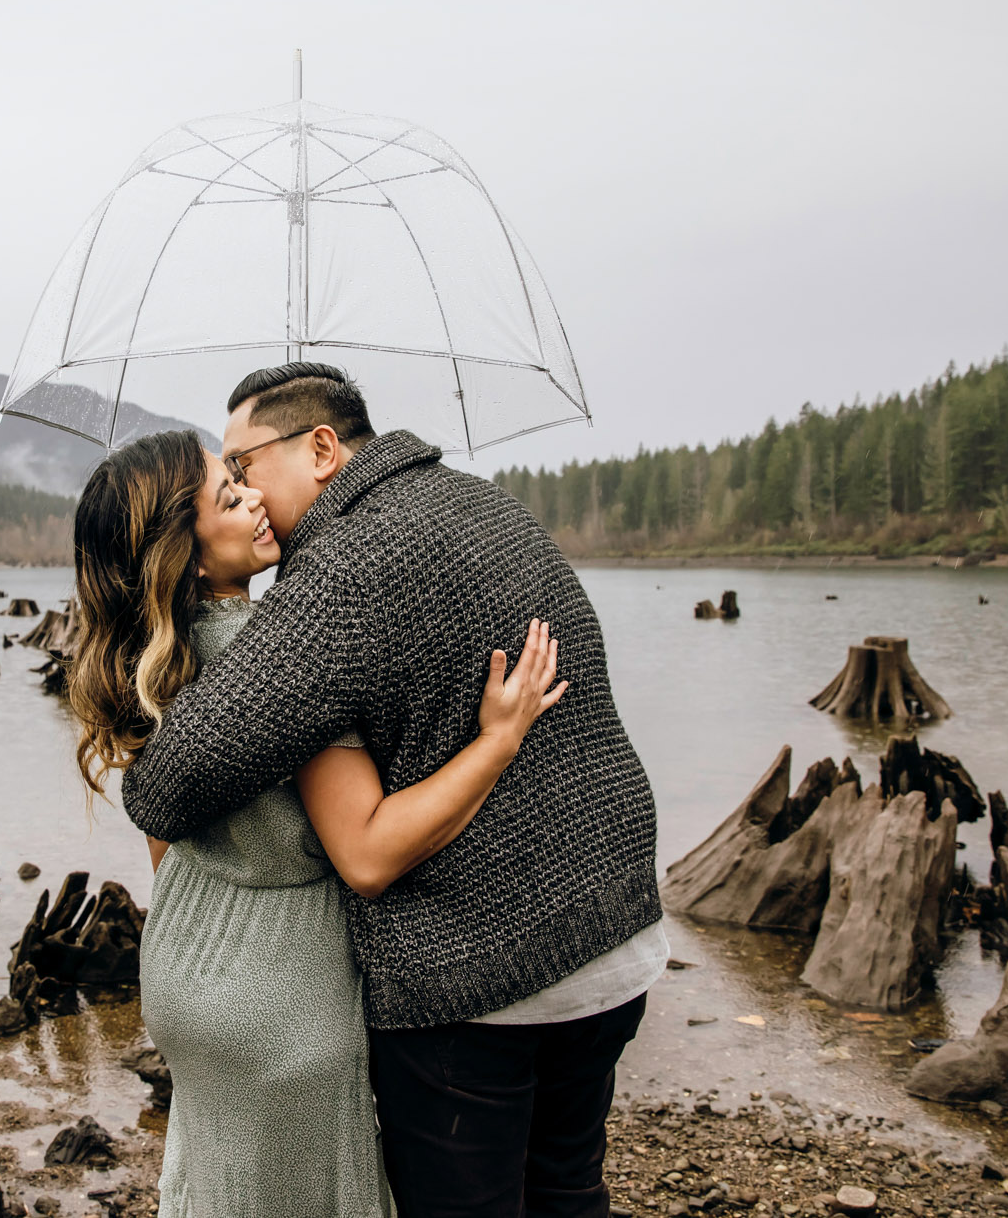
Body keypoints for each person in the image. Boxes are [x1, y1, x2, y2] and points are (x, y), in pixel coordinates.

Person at [121, 363, 666, 1218]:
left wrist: (131, 740)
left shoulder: (342, 567)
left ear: (323, 448)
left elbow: (170, 785)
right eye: (227, 486)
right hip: (617, 937)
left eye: (243, 466)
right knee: (566, 1186)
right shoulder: (484, 503)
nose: (245, 490)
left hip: (481, 976)